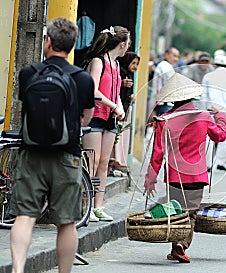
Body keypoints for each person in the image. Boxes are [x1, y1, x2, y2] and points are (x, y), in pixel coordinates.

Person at [10, 17, 95, 273]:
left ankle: (17, 269)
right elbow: (86, 119)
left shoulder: (29, 73)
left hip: (31, 154)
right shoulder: (82, 79)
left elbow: (27, 107)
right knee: (66, 223)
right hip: (67, 156)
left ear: (47, 41)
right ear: (71, 46)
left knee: (25, 217)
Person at [144, 73, 226, 263]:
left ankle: (176, 246)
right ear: (191, 96)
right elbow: (220, 136)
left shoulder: (164, 120)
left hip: (174, 175)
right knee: (190, 212)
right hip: (197, 174)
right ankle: (181, 245)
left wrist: (150, 179)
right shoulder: (205, 116)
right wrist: (221, 116)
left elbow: (157, 154)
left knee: (177, 210)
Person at [83, 25, 130, 222]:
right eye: (127, 44)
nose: (127, 48)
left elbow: (116, 92)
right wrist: (113, 105)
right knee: (90, 162)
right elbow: (93, 91)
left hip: (110, 119)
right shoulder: (98, 61)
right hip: (95, 116)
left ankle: (98, 206)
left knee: (103, 163)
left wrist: (119, 108)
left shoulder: (117, 65)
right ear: (121, 44)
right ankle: (86, 207)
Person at [201, 55, 226, 171]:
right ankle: (221, 162)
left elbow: (204, 95)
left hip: (210, 110)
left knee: (208, 137)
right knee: (225, 136)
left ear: (215, 64)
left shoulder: (208, 76)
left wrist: (204, 111)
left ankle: (207, 163)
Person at [113, 52, 140, 172]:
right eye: (133, 63)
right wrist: (121, 84)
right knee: (118, 134)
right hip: (118, 109)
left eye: (137, 64)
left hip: (126, 108)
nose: (135, 66)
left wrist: (131, 96)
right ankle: (116, 160)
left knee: (124, 135)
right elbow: (112, 88)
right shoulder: (119, 73)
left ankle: (121, 160)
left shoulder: (129, 74)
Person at [150, 47, 180, 116]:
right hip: (164, 104)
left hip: (162, 104)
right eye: (174, 56)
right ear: (166, 55)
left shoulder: (165, 65)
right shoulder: (165, 66)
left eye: (177, 57)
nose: (176, 59)